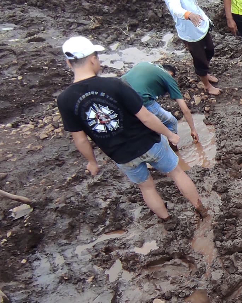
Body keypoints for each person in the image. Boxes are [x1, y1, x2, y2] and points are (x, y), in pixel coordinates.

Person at [57, 36, 207, 225]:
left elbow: (80, 139)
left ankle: (168, 221)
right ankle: (201, 209)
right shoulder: (114, 84)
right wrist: (169, 134)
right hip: (149, 143)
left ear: (68, 63)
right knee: (177, 173)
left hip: (121, 155)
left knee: (147, 188)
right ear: (93, 59)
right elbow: (146, 117)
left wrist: (92, 162)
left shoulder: (65, 100)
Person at [162, 0, 220, 95]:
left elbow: (193, 3)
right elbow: (175, 8)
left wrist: (204, 18)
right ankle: (206, 84)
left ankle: (204, 73)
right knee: (199, 58)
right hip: (189, 31)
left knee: (210, 50)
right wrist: (188, 15)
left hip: (200, 24)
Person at [122, 62, 199, 146]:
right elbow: (184, 109)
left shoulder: (145, 64)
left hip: (118, 92)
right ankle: (174, 149)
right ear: (171, 74)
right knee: (171, 122)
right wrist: (193, 129)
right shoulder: (168, 77)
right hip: (139, 98)